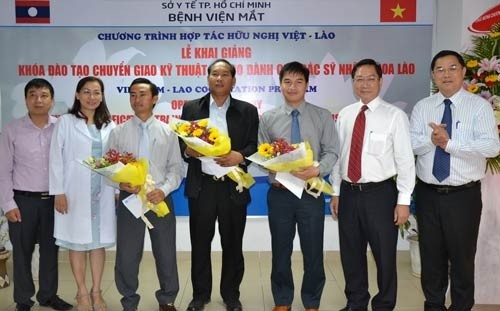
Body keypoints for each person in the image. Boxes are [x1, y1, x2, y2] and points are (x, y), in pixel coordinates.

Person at [409, 50, 500, 311]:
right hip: (428, 193)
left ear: (463, 72)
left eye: (452, 68)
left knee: (462, 258)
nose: (446, 74)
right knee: (431, 257)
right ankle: (434, 305)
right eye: (439, 69)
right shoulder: (423, 107)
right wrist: (432, 139)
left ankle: (461, 307)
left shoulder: (478, 107)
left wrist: (449, 144)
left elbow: (491, 147)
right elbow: (412, 145)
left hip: (464, 196)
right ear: (432, 75)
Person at [329, 59, 415, 311]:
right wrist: (335, 191)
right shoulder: (345, 114)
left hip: (380, 194)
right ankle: (356, 302)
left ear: (380, 81)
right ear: (353, 83)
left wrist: (403, 201)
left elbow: (405, 161)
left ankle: (384, 304)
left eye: (370, 78)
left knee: (385, 255)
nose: (364, 84)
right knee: (351, 253)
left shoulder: (394, 116)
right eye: (359, 79)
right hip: (348, 192)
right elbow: (338, 157)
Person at [259, 61, 338, 311]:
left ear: (307, 85)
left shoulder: (322, 115)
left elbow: (332, 151)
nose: (292, 87)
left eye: (299, 82)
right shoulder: (268, 118)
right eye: (287, 81)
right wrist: (275, 165)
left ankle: (311, 301)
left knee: (313, 251)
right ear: (280, 84)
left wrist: (317, 169)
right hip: (280, 194)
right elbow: (262, 156)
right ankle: (282, 299)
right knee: (280, 250)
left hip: (310, 193)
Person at [180, 59, 259, 311]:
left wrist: (240, 156)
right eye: (214, 74)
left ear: (233, 80)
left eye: (225, 74)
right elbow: (182, 143)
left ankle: (231, 295)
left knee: (233, 243)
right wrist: (189, 151)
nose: (219, 78)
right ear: (208, 78)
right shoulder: (192, 108)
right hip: (202, 187)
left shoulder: (247, 110)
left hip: (232, 186)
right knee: (200, 243)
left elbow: (254, 145)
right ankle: (200, 295)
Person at [108, 77, 183, 311]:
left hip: (160, 199)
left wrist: (163, 190)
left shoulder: (168, 132)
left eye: (142, 94)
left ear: (154, 99)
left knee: (166, 253)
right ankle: (129, 300)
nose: (136, 99)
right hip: (131, 201)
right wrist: (122, 185)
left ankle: (167, 299)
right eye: (132, 94)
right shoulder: (118, 132)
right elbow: (109, 168)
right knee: (127, 256)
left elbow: (177, 169)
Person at [0, 78, 73, 311]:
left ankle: (48, 296)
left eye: (43, 95)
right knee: (22, 252)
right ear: (25, 100)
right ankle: (23, 299)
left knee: (51, 250)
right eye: (32, 95)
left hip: (53, 201)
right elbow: (3, 170)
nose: (38, 100)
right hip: (22, 201)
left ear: (52, 101)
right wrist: (8, 203)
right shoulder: (12, 130)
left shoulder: (62, 127)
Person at [49, 76, 116, 311]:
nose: (92, 97)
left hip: (103, 192)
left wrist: (117, 189)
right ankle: (81, 293)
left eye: (97, 92)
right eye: (86, 92)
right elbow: (55, 159)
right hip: (74, 191)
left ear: (102, 96)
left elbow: (115, 159)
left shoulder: (109, 124)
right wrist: (58, 192)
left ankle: (96, 292)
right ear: (77, 95)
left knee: (98, 244)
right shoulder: (65, 122)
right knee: (77, 243)